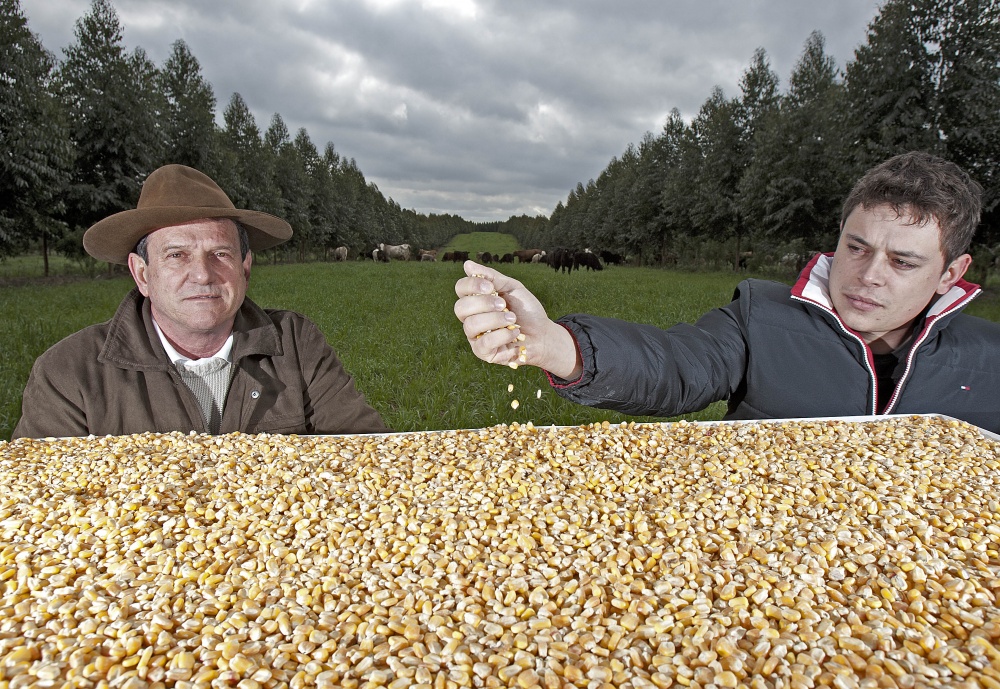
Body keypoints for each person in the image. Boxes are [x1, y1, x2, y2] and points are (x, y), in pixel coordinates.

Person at [454, 151, 1000, 433]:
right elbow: (674, 365)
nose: (869, 274)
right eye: (856, 247)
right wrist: (553, 344)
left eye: (903, 261)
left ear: (952, 273)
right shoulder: (760, 319)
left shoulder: (988, 361)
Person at [14, 164, 387, 438]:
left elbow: (369, 456)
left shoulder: (296, 343)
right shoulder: (68, 373)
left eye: (220, 254)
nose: (203, 275)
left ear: (245, 267)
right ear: (142, 273)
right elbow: (39, 513)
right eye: (176, 255)